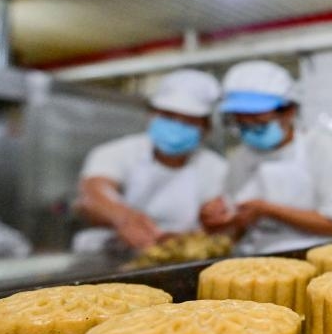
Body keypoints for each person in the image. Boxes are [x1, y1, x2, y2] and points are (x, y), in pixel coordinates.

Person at [200, 60, 332, 254]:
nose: (250, 130)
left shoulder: (320, 146)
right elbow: (234, 233)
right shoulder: (239, 158)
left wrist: (267, 210)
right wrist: (219, 220)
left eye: (259, 123)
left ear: (289, 111)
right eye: (242, 124)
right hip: (254, 261)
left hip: (317, 257)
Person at [73, 69, 227, 252]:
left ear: (206, 128)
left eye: (189, 121)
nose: (177, 126)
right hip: (110, 255)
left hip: (177, 255)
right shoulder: (116, 153)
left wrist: (212, 220)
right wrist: (122, 217)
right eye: (168, 116)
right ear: (152, 115)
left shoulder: (214, 167)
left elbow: (219, 220)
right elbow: (94, 192)